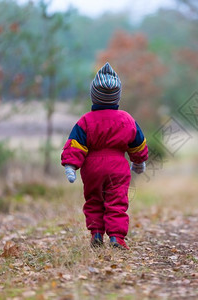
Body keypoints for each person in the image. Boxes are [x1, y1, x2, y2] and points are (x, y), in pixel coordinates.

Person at [61, 62, 148, 250]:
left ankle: (97, 233)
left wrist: (71, 165)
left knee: (93, 200)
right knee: (117, 201)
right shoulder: (126, 119)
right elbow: (137, 142)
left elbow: (76, 143)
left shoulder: (86, 120)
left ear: (94, 96)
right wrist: (139, 162)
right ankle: (117, 238)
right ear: (117, 97)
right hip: (118, 168)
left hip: (92, 169)